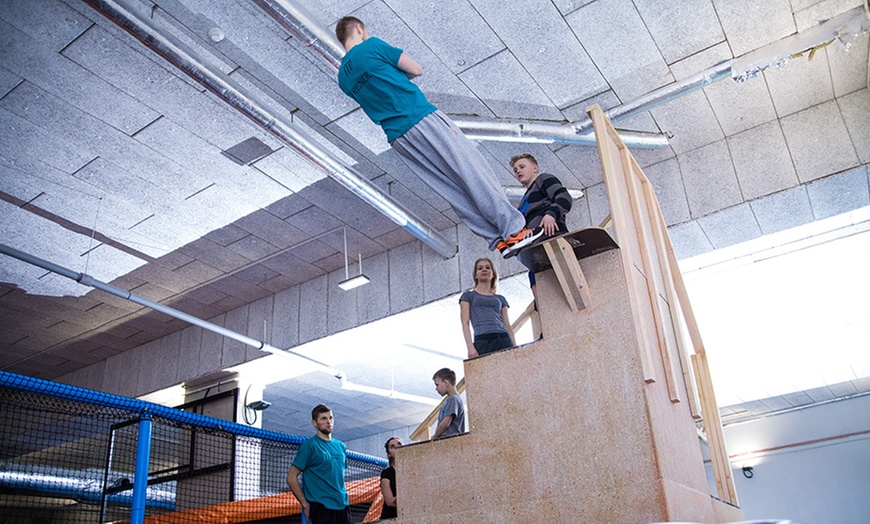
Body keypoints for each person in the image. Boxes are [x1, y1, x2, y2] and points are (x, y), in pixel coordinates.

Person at [335, 17, 542, 258]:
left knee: (451, 190)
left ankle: (498, 240)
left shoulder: (343, 79)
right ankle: (514, 231)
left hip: (399, 139)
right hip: (421, 118)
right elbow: (415, 69)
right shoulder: (371, 46)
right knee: (473, 171)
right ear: (359, 29)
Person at [511, 153, 573, 296]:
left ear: (535, 168)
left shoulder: (543, 179)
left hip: (550, 239)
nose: (518, 171)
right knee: (537, 287)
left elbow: (564, 197)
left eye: (521, 166)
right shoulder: (523, 202)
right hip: (534, 251)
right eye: (515, 170)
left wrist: (551, 213)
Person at [286, 404, 350, 524]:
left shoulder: (341, 446)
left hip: (343, 505)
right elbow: (291, 477)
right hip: (321, 507)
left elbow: (338, 475)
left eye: (330, 418)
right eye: (323, 418)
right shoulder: (309, 446)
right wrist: (304, 503)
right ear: (314, 423)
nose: (328, 422)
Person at [459, 258, 516, 358]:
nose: (484, 270)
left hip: (503, 338)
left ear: (493, 274)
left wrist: (514, 345)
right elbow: (465, 322)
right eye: (480, 268)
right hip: (483, 340)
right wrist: (470, 347)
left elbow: (507, 324)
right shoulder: (468, 296)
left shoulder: (500, 298)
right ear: (476, 275)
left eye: (488, 268)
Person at [432, 368, 465, 439]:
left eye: (437, 385)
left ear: (446, 383)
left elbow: (445, 424)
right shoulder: (450, 400)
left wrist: (434, 437)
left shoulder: (453, 399)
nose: (436, 389)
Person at [379, 437, 402, 519]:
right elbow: (390, 501)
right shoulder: (386, 473)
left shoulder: (411, 472)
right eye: (392, 446)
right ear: (389, 454)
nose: (397, 447)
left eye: (399, 444)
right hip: (391, 517)